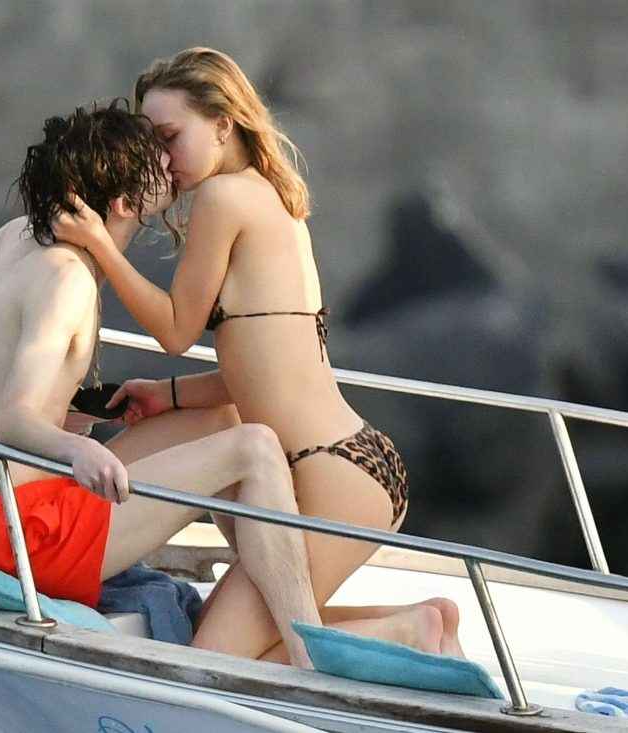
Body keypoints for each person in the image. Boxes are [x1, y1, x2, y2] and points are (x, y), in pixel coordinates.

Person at [0, 99, 325, 668]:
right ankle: (307, 653)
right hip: (25, 539)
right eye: (158, 160)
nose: (170, 161)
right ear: (123, 204)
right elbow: (12, 419)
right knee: (254, 448)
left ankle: (257, 586)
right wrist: (79, 448)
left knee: (218, 421)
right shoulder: (68, 282)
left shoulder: (19, 237)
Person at [52, 49, 465, 661]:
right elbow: (270, 369)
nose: (161, 159)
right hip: (355, 459)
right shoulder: (274, 200)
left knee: (218, 656)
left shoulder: (223, 199)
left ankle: (405, 634)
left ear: (223, 124)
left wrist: (100, 244)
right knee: (264, 630)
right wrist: (167, 394)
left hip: (327, 471)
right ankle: (421, 621)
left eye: (170, 137)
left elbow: (176, 330)